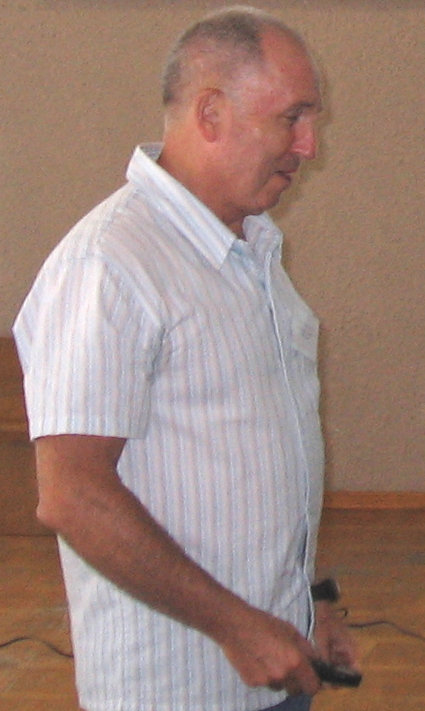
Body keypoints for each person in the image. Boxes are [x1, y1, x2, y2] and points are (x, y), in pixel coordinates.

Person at [13, 6, 358, 711]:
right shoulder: (110, 264)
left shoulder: (253, 250)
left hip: (275, 662)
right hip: (177, 685)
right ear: (210, 114)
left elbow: (274, 456)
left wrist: (313, 598)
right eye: (291, 118)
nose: (308, 145)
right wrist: (237, 627)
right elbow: (71, 494)